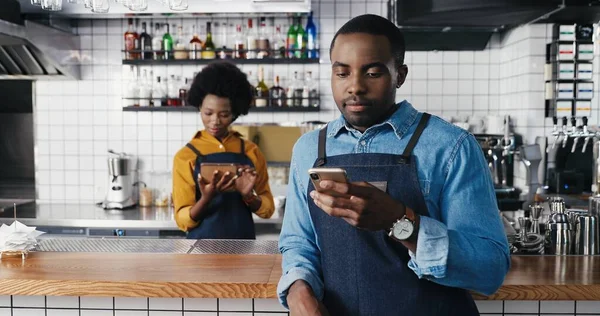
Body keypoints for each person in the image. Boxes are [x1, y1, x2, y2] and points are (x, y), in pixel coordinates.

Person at [277, 14, 510, 316]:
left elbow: (489, 268)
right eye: (342, 74)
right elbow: (298, 243)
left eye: (372, 74)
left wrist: (401, 222)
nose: (355, 87)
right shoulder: (309, 148)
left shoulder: (450, 147)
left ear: (399, 75)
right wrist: (299, 295)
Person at [172, 61, 274, 239]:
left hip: (244, 251)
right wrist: (206, 198)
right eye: (208, 113)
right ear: (199, 108)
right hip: (200, 254)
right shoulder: (185, 156)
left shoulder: (251, 151)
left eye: (224, 114)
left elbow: (267, 210)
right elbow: (183, 220)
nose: (215, 121)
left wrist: (249, 196)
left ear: (235, 112)